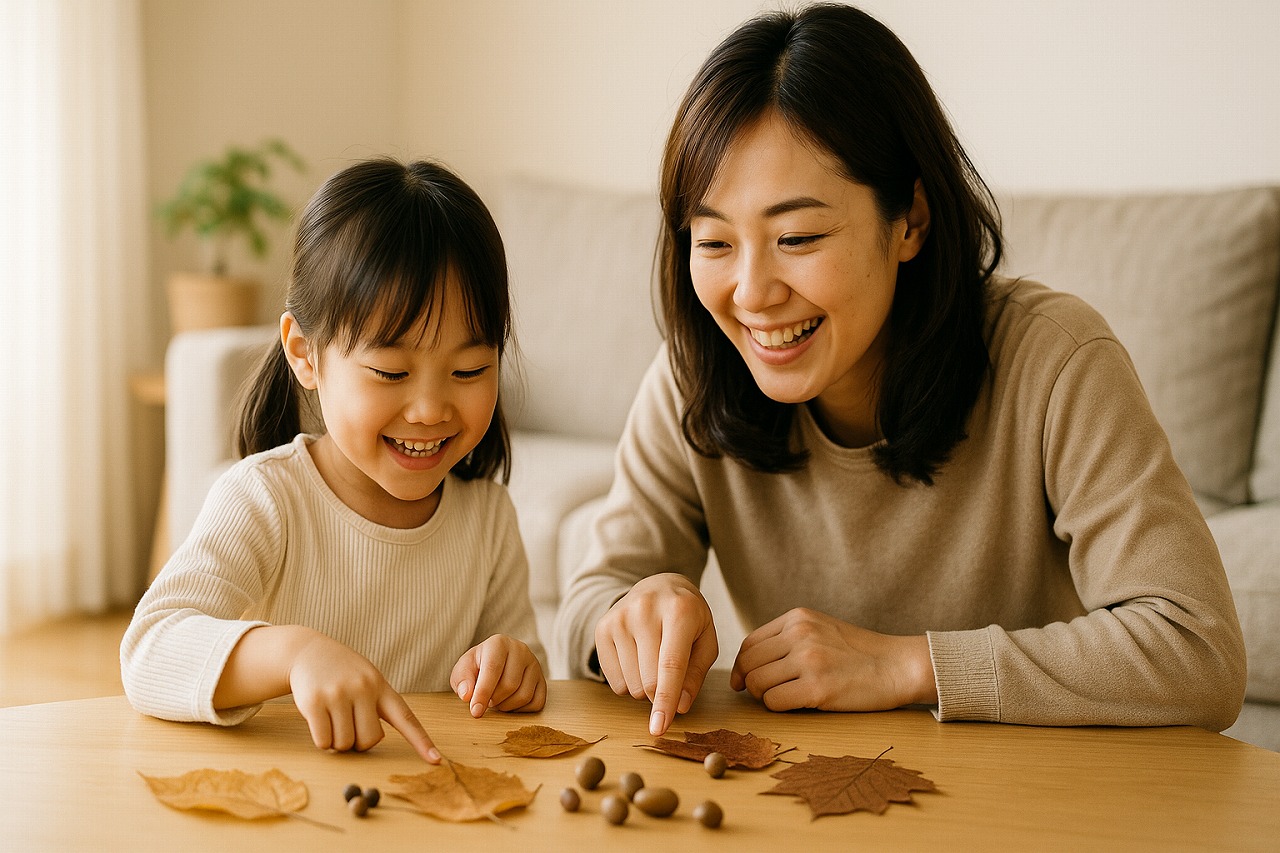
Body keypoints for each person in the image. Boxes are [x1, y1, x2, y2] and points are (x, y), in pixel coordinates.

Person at [555, 3, 1246, 738]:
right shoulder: (695, 375)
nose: (752, 293)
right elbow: (588, 600)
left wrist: (908, 666)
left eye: (797, 235)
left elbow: (1197, 648)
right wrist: (629, 614)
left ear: (909, 220)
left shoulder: (1055, 361)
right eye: (715, 241)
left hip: (1034, 790)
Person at [122, 158, 547, 763]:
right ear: (305, 354)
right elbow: (149, 650)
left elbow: (523, 669)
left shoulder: (488, 520)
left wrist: (513, 667)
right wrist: (292, 654)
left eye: (469, 370)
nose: (430, 409)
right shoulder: (267, 499)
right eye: (391, 372)